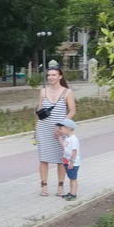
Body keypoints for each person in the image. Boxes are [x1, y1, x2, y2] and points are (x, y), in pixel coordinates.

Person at [35, 67, 76, 196]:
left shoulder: (67, 92)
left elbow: (72, 111)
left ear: (60, 76)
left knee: (61, 159)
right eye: (49, 75)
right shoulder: (43, 91)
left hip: (60, 129)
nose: (51, 77)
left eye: (54, 75)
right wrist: (37, 122)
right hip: (44, 128)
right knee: (43, 159)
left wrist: (61, 126)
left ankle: (60, 186)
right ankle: (44, 186)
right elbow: (39, 110)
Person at [57, 119, 81, 200]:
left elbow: (74, 151)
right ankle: (71, 192)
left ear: (68, 128)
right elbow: (65, 147)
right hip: (67, 162)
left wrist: (71, 162)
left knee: (73, 179)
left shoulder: (73, 139)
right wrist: (59, 138)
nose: (60, 130)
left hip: (73, 163)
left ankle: (73, 194)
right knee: (71, 178)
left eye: (61, 128)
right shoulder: (68, 138)